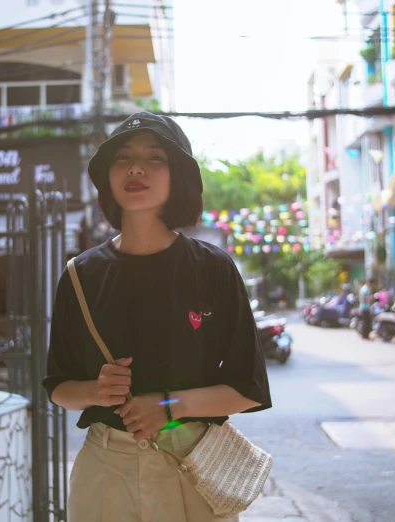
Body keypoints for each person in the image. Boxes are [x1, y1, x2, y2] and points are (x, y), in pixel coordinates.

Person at [43, 112, 272, 522]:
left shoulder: (213, 268)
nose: (135, 168)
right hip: (105, 471)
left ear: (178, 175)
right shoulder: (80, 274)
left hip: (190, 467)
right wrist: (96, 391)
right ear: (108, 177)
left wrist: (169, 407)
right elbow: (58, 386)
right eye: (123, 158)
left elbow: (249, 387)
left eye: (154, 157)